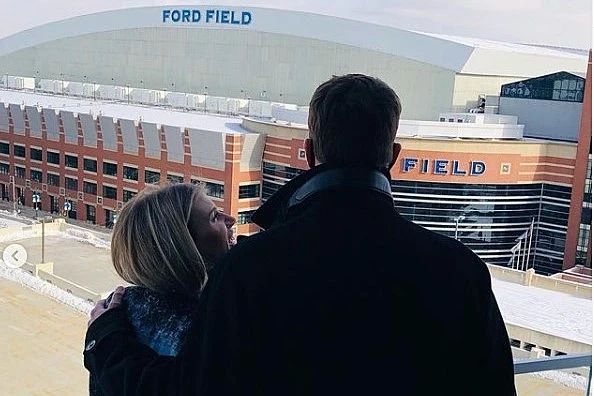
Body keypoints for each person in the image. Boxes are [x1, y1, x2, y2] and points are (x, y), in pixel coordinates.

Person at [84, 74, 516, 395]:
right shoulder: (460, 271)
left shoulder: (248, 271)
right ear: (395, 157)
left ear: (309, 152)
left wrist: (107, 340)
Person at [87, 182, 235, 395]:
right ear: (183, 247)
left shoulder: (116, 318)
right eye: (214, 217)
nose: (230, 220)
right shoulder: (211, 325)